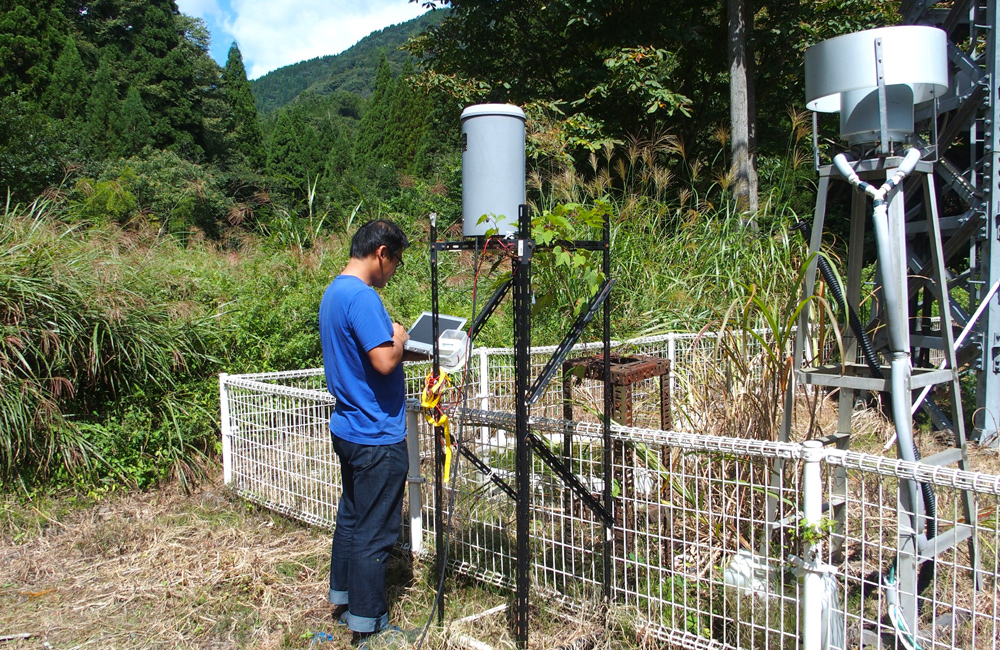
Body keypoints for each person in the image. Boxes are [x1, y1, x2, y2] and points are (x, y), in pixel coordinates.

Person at [319, 219, 420, 645]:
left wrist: (402, 347)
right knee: (374, 532)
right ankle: (369, 624)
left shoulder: (334, 292)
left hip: (349, 427)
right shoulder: (363, 296)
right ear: (381, 253)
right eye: (396, 261)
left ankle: (344, 601)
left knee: (352, 517)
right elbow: (382, 359)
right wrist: (400, 336)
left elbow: (364, 356)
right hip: (375, 433)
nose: (393, 270)